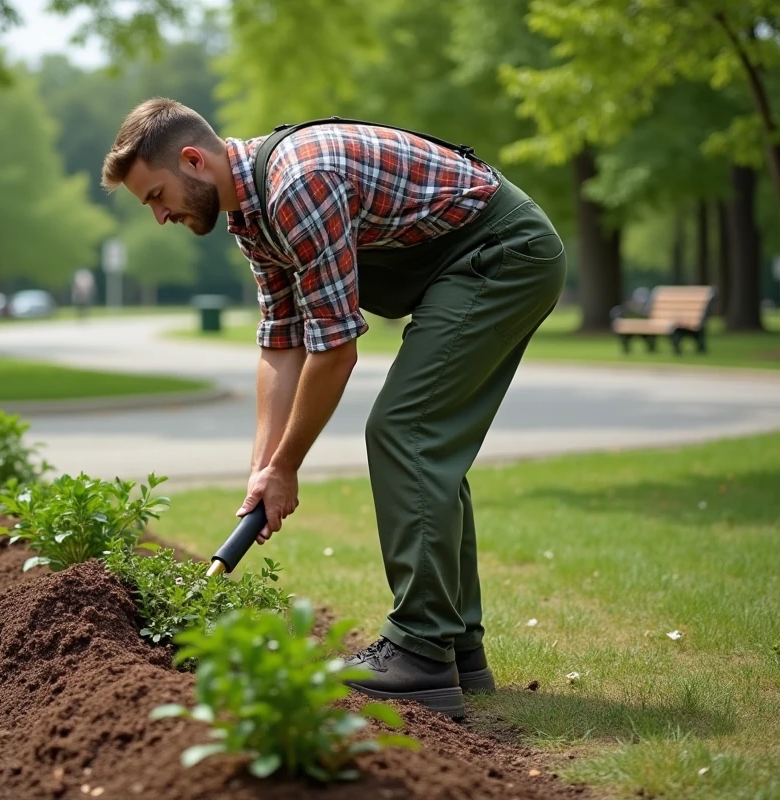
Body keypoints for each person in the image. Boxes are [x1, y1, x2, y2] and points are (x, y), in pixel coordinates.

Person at [100, 98, 567, 720]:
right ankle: (457, 650)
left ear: (194, 161)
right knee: (418, 438)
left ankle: (422, 651)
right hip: (456, 267)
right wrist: (263, 470)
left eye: (157, 195)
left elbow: (334, 350)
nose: (159, 216)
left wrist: (288, 465)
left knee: (408, 430)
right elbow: (282, 341)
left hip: (502, 253)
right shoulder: (250, 217)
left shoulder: (299, 182)